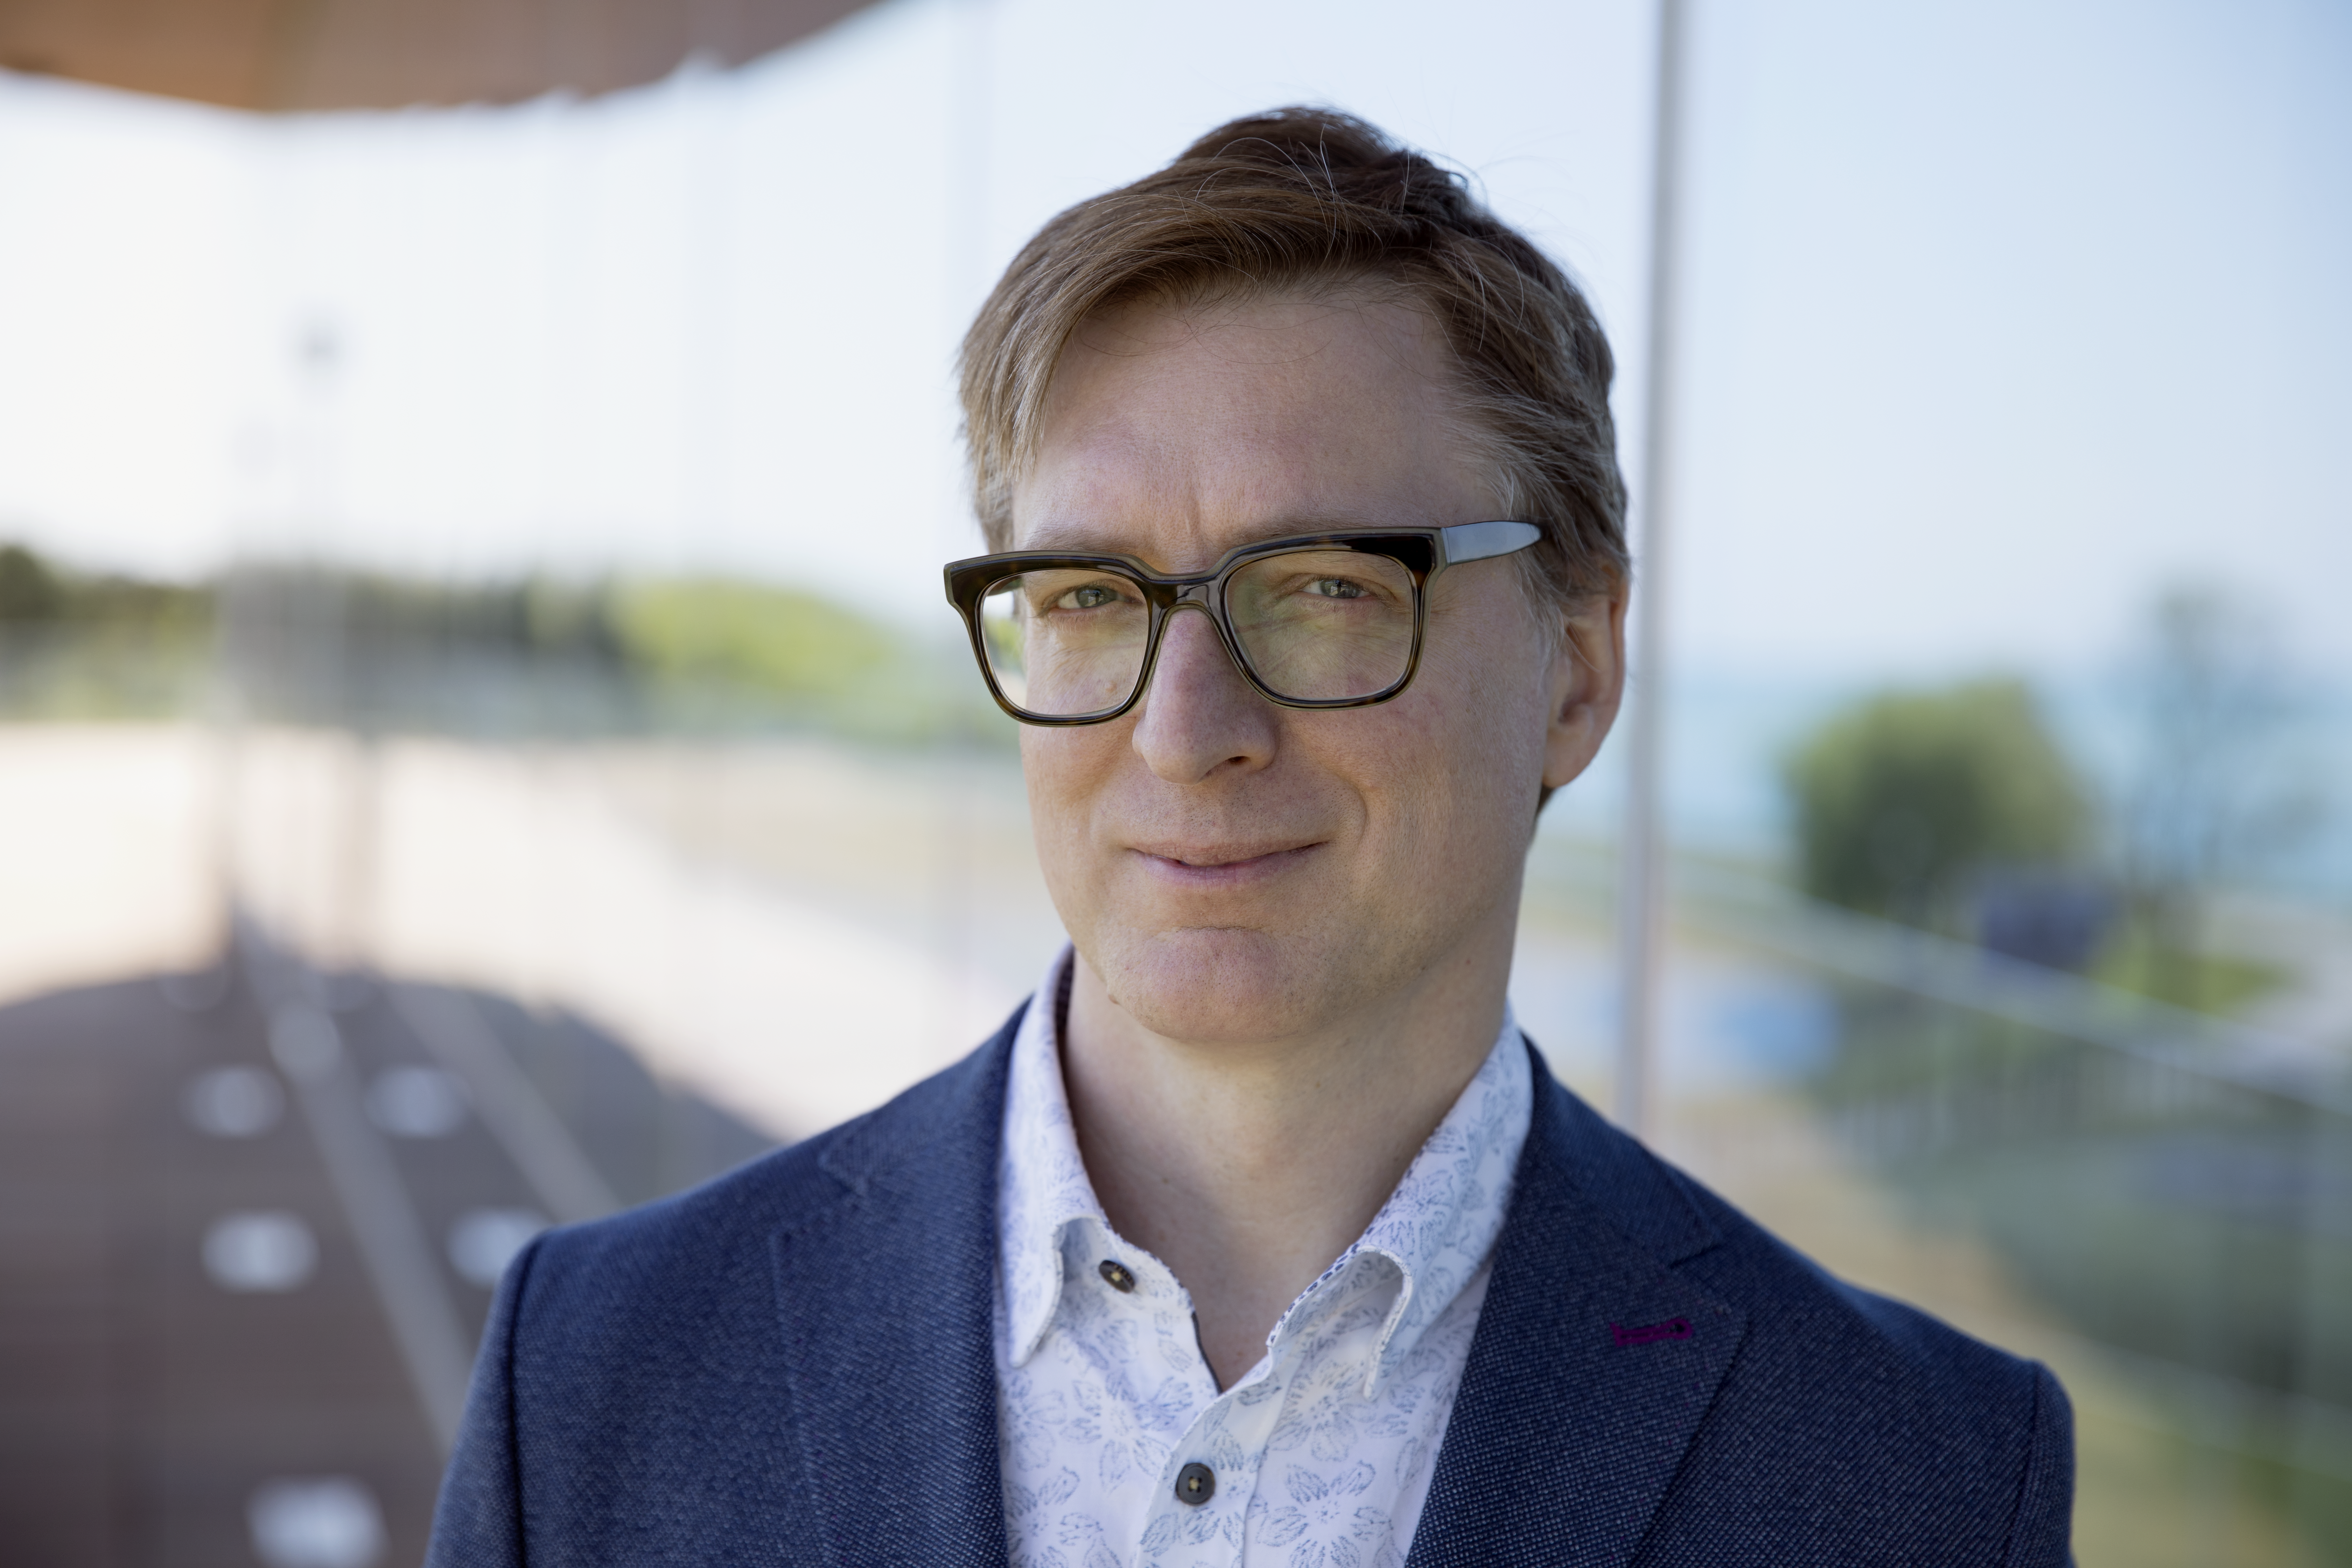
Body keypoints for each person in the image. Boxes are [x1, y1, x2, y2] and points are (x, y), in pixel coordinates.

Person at [426, 107, 2073, 1567]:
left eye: (1327, 590)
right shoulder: (595, 1370)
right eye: (1087, 596)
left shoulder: (1919, 1479)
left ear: (1574, 675)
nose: (1183, 729)